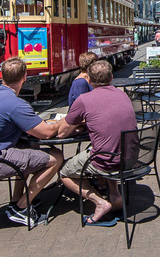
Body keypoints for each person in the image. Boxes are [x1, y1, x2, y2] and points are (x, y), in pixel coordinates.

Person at [0, 58, 63, 227]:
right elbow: (46, 132)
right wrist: (61, 123)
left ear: (2, 77)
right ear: (24, 77)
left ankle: (16, 201)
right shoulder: (16, 104)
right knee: (56, 157)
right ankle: (21, 208)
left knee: (29, 147)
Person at [57, 60, 138, 226]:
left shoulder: (85, 99)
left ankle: (100, 202)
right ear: (112, 78)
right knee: (106, 146)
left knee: (64, 172)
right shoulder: (122, 94)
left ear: (89, 80)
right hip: (130, 158)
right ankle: (115, 195)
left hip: (107, 160)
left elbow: (62, 132)